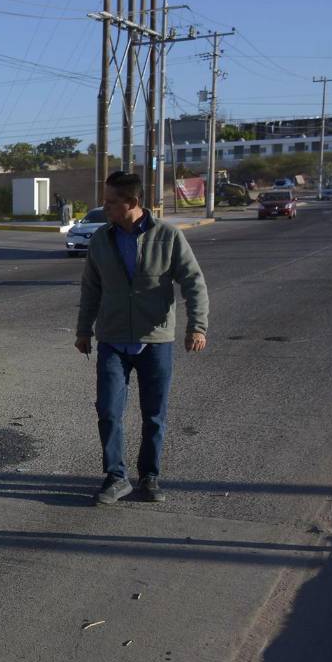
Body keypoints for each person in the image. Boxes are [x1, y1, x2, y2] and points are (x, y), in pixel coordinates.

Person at [74, 171, 209, 505]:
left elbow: (193, 282)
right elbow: (91, 288)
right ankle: (116, 477)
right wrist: (83, 329)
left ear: (131, 203)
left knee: (154, 415)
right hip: (112, 340)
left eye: (110, 202)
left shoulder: (168, 237)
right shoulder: (102, 240)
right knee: (108, 410)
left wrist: (197, 327)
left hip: (155, 341)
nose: (104, 207)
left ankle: (149, 476)